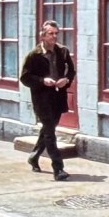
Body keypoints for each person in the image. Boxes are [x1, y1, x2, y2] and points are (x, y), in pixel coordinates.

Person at [20, 20, 75, 181]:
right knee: (50, 133)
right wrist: (42, 81)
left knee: (48, 129)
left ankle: (34, 156)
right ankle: (58, 168)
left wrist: (66, 80)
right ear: (42, 36)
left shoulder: (63, 51)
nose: (54, 36)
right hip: (41, 98)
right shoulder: (34, 55)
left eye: (56, 33)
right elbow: (25, 77)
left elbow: (71, 71)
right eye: (50, 33)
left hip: (58, 97)